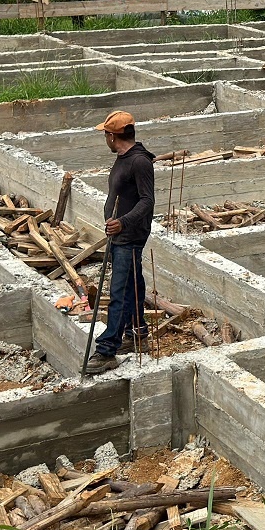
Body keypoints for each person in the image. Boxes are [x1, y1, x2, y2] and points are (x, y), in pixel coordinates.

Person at [87, 109, 155, 372]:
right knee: (133, 284)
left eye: (105, 134)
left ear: (113, 136)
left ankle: (107, 350)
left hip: (129, 236)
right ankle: (137, 335)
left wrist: (123, 222)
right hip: (119, 235)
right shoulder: (122, 157)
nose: (105, 139)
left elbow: (147, 201)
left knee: (120, 292)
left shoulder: (139, 162)